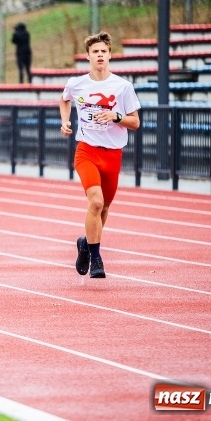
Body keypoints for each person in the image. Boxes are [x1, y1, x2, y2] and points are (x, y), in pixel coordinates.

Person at [59, 31, 141, 279]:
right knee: (94, 202)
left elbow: (135, 122)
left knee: (104, 208)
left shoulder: (122, 86)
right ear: (88, 56)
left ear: (110, 55)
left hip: (113, 153)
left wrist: (115, 116)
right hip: (87, 151)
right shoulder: (77, 83)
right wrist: (65, 121)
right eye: (95, 52)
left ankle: (86, 243)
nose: (100, 55)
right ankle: (96, 258)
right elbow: (64, 100)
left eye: (103, 51)